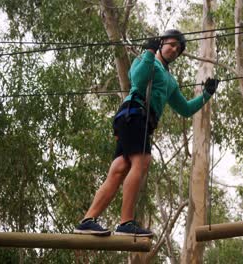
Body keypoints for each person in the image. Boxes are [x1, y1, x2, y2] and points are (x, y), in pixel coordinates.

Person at [73, 29, 219, 237]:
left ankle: (87, 220)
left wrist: (206, 94)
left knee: (120, 168)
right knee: (141, 161)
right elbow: (138, 81)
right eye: (171, 44)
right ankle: (126, 222)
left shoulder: (170, 81)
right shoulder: (146, 60)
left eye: (178, 49)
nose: (174, 50)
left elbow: (185, 109)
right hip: (134, 114)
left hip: (138, 121)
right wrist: (149, 52)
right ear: (161, 44)